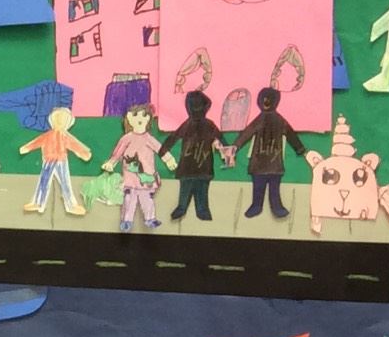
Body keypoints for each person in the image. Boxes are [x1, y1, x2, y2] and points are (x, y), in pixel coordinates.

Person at [231, 87, 307, 219]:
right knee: (263, 187)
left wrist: (300, 149)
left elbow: (290, 135)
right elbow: (246, 134)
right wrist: (235, 147)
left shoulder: (272, 120)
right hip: (268, 162)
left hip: (266, 161)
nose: (265, 102)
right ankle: (263, 207)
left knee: (271, 188)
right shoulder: (269, 120)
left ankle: (270, 207)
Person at [103, 102, 173, 232]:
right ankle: (126, 221)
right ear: (129, 118)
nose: (140, 118)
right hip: (130, 178)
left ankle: (150, 218)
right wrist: (111, 163)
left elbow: (160, 149)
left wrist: (169, 160)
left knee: (147, 199)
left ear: (148, 119)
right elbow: (117, 153)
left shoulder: (149, 138)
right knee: (129, 199)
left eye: (144, 115)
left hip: (146, 177)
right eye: (135, 115)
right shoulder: (126, 138)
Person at [157, 90, 223, 222]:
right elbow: (174, 137)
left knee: (193, 189)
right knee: (194, 189)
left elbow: (173, 137)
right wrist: (163, 150)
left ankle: (194, 210)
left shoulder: (199, 124)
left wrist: (163, 150)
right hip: (199, 166)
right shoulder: (201, 124)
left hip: (192, 166)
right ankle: (195, 210)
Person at [17, 106, 91, 216]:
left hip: (61, 161)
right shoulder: (48, 135)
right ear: (52, 120)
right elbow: (37, 141)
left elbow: (75, 145)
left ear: (67, 122)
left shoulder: (65, 136)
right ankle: (38, 203)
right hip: (48, 161)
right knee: (44, 181)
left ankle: (71, 205)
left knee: (65, 183)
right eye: (57, 118)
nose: (60, 121)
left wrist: (84, 153)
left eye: (63, 119)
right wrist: (26, 148)